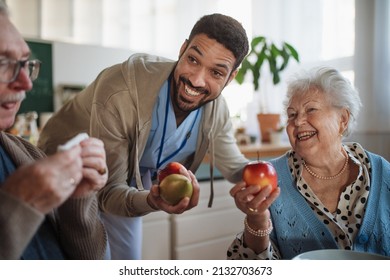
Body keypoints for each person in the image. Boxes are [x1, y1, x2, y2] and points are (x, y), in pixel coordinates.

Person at [38, 13, 250, 259]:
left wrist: (288, 168)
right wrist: (151, 201)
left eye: (216, 72)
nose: (197, 79)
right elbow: (106, 192)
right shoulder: (121, 90)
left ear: (230, 77)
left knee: (127, 262)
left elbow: (236, 168)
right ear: (182, 49)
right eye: (193, 59)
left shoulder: (217, 110)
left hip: (126, 181)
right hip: (65, 168)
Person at [227, 66, 390, 259]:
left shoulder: (383, 172)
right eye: (292, 114)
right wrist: (257, 221)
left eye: (310, 109)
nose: (298, 122)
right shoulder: (272, 181)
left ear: (343, 119)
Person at [0, 1, 108, 260]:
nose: (25, 83)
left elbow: (92, 262)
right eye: (2, 62)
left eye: (25, 63)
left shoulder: (26, 154)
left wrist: (77, 202)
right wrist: (19, 204)